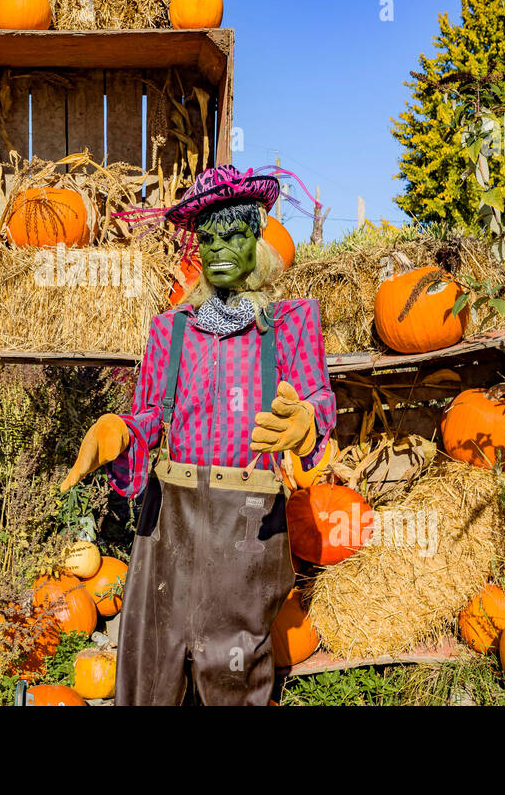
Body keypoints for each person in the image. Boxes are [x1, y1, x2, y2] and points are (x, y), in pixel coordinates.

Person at [60, 165, 336, 705]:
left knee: (232, 663)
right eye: (207, 238)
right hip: (170, 516)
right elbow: (148, 418)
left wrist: (304, 425)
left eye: (232, 234)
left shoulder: (290, 322)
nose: (219, 249)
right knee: (151, 659)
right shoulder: (171, 329)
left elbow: (317, 400)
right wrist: (118, 432)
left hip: (249, 517)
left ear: (256, 236)